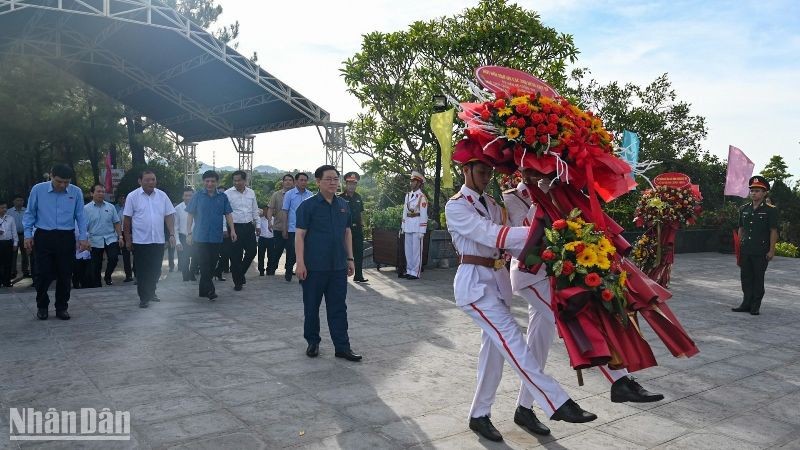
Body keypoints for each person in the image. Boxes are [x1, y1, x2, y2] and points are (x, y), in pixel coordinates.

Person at [496, 169, 663, 436]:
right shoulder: (513, 196)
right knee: (577, 324)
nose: (540, 171)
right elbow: (523, 239)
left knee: (537, 348)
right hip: (532, 276)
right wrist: (543, 201)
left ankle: (523, 409)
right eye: (534, 167)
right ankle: (619, 382)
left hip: (557, 275)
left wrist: (555, 194)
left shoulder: (560, 191)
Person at [445, 146, 595, 442]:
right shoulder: (457, 205)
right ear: (466, 170)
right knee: (513, 341)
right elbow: (491, 235)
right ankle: (556, 401)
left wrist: (557, 241)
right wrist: (548, 232)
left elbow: (510, 246)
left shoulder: (490, 202)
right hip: (474, 285)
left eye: (489, 171)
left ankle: (479, 414)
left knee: (494, 353)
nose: (486, 176)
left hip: (496, 281)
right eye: (480, 171)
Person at [296, 165, 362, 362]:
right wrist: (300, 263)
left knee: (338, 308)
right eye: (328, 179)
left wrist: (350, 258)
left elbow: (347, 232)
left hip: (338, 267)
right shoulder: (307, 206)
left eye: (335, 179)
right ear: (318, 182)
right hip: (314, 267)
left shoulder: (343, 204)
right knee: (311, 307)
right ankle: (313, 342)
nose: (333, 182)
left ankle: (342, 347)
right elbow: (299, 235)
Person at [23, 164, 89, 320]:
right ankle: (42, 306)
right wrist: (27, 235)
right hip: (44, 236)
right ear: (51, 176)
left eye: (66, 182)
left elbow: (80, 216)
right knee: (42, 274)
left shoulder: (76, 192)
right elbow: (30, 213)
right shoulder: (38, 190)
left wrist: (83, 238)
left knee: (65, 274)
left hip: (66, 237)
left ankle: (61, 307)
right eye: (59, 181)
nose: (63, 185)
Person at [123, 170, 176, 308]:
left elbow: (169, 215)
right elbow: (127, 219)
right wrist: (127, 239)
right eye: (147, 180)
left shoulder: (162, 196)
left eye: (153, 179)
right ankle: (144, 297)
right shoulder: (132, 196)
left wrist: (171, 234)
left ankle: (151, 292)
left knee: (156, 269)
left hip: (158, 240)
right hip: (140, 241)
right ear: (140, 181)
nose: (151, 182)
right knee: (142, 271)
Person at [733, 175, 779, 316]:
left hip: (761, 250)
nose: (754, 193)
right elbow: (741, 228)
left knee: (758, 278)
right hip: (746, 249)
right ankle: (746, 303)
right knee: (745, 277)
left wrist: (771, 250)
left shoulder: (771, 210)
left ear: (765, 193)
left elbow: (773, 231)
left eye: (758, 191)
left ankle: (755, 305)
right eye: (752, 190)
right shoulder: (744, 209)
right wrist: (738, 247)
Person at [187, 171, 236, 301]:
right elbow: (190, 214)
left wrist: (232, 230)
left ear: (217, 182)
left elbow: (228, 214)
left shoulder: (223, 197)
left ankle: (203, 290)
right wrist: (189, 233)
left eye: (212, 181)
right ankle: (210, 290)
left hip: (216, 236)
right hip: (200, 237)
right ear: (203, 182)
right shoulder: (197, 196)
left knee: (212, 264)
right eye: (207, 181)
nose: (210, 184)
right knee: (204, 264)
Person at [225, 170, 259, 291]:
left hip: (249, 226)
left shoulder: (251, 192)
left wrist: (258, 224)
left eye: (239, 180)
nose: (237, 182)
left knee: (252, 251)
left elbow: (255, 209)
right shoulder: (228, 193)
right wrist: (226, 229)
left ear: (245, 181)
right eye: (235, 180)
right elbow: (225, 213)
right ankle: (237, 282)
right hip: (234, 227)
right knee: (235, 256)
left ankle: (240, 274)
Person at [84, 184, 123, 287]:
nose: (101, 194)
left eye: (103, 191)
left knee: (114, 258)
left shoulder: (110, 207)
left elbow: (116, 222)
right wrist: (85, 240)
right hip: (94, 240)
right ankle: (97, 285)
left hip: (110, 238)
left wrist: (120, 237)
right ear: (92, 193)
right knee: (96, 264)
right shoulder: (86, 209)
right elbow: (83, 226)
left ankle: (108, 276)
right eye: (98, 191)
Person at [282, 172, 312, 282]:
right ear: (296, 181)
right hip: (292, 228)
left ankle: (302, 275)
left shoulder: (310, 194)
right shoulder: (289, 194)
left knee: (305, 252)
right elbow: (285, 212)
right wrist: (284, 229)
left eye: (305, 180)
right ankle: (288, 271)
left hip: (307, 229)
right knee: (292, 252)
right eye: (301, 180)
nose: (303, 182)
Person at [339, 171, 368, 283]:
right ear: (346, 184)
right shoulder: (340, 198)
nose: (352, 186)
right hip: (345, 230)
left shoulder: (358, 197)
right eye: (350, 184)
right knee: (343, 253)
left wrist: (362, 225)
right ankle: (342, 275)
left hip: (357, 230)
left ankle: (359, 275)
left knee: (359, 253)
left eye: (354, 184)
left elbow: (361, 213)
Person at [265, 174, 294, 275]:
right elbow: (270, 209)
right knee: (277, 250)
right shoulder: (276, 195)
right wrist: (269, 221)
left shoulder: (296, 194)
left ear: (293, 182)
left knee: (292, 251)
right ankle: (271, 269)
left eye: (290, 180)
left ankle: (289, 269)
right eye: (286, 180)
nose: (288, 182)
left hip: (292, 228)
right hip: (278, 227)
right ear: (282, 182)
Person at [401, 171, 428, 280]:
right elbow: (404, 211)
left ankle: (415, 272)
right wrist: (403, 226)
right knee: (408, 250)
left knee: (416, 251)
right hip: (408, 226)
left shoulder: (422, 197)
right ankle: (409, 270)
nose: (411, 183)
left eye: (414, 181)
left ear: (419, 183)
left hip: (417, 226)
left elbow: (424, 214)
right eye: (411, 181)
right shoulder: (408, 196)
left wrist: (422, 230)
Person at [175, 187, 198, 282]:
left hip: (196, 236)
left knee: (196, 257)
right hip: (183, 236)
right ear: (182, 196)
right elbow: (175, 226)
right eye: (186, 195)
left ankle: (192, 273)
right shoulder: (178, 209)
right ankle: (185, 275)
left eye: (190, 195)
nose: (188, 197)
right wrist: (177, 241)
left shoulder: (198, 207)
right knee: (185, 258)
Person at [7, 195, 30, 278]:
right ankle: (13, 271)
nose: (19, 202)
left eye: (21, 200)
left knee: (25, 254)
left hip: (24, 235)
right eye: (17, 200)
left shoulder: (27, 210)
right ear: (14, 201)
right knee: (13, 254)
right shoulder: (9, 211)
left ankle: (26, 271)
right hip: (13, 235)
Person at [115, 194, 134, 282]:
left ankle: (137, 274)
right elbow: (117, 224)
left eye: (125, 199)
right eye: (122, 199)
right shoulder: (120, 212)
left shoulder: (135, 210)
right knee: (126, 257)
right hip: (124, 234)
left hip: (134, 234)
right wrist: (120, 237)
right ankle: (128, 275)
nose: (124, 201)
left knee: (137, 255)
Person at [0, 200, 18, 287]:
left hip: (8, 243)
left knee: (8, 263)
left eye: (5, 207)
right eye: (2, 207)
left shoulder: (10, 218)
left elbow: (14, 232)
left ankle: (7, 281)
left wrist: (15, 243)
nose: (4, 209)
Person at [257, 207, 273, 276]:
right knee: (261, 255)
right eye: (265, 210)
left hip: (271, 239)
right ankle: (261, 270)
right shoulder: (260, 220)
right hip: (262, 238)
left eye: (267, 210)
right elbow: (257, 230)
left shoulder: (274, 219)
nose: (266, 212)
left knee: (271, 256)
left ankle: (269, 270)